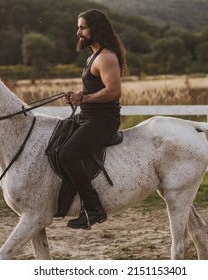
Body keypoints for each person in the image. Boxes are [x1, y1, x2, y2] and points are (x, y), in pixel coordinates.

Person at [58, 9, 127, 229]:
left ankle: (94, 209)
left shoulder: (106, 57)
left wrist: (84, 97)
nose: (78, 32)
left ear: (95, 29)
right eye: (78, 27)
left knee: (67, 155)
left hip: (103, 121)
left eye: (83, 27)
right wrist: (77, 96)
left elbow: (114, 92)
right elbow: (94, 88)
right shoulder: (92, 56)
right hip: (88, 116)